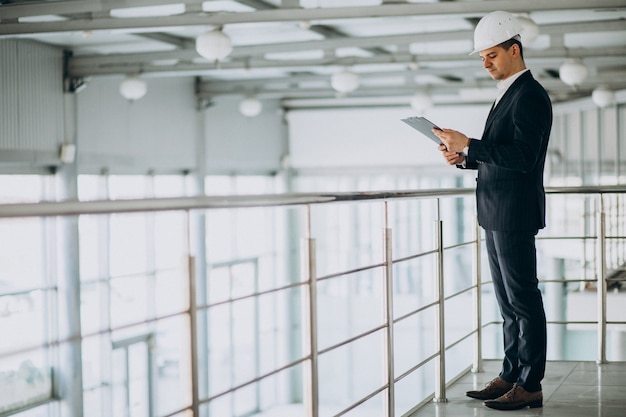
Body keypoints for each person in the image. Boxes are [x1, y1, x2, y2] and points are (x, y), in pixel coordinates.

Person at [432, 10, 552, 411]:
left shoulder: (530, 95)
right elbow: (503, 154)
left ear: (514, 50)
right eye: (482, 57)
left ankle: (529, 383)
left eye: (491, 56)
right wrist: (464, 157)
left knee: (522, 300)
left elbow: (523, 156)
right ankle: (511, 372)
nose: (485, 64)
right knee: (507, 302)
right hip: (496, 211)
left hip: (513, 213)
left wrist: (471, 144)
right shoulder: (510, 93)